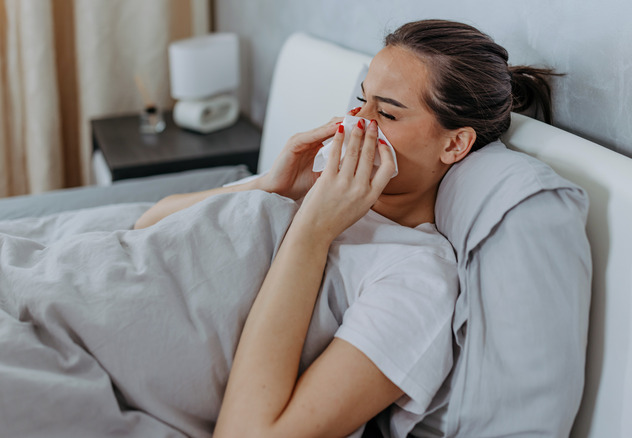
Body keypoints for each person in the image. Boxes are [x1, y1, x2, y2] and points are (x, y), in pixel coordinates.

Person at [134, 19, 558, 438]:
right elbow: (148, 224)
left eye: (387, 113)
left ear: (454, 144)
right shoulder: (317, 181)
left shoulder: (417, 278)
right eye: (361, 100)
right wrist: (268, 186)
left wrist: (313, 231)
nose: (358, 121)